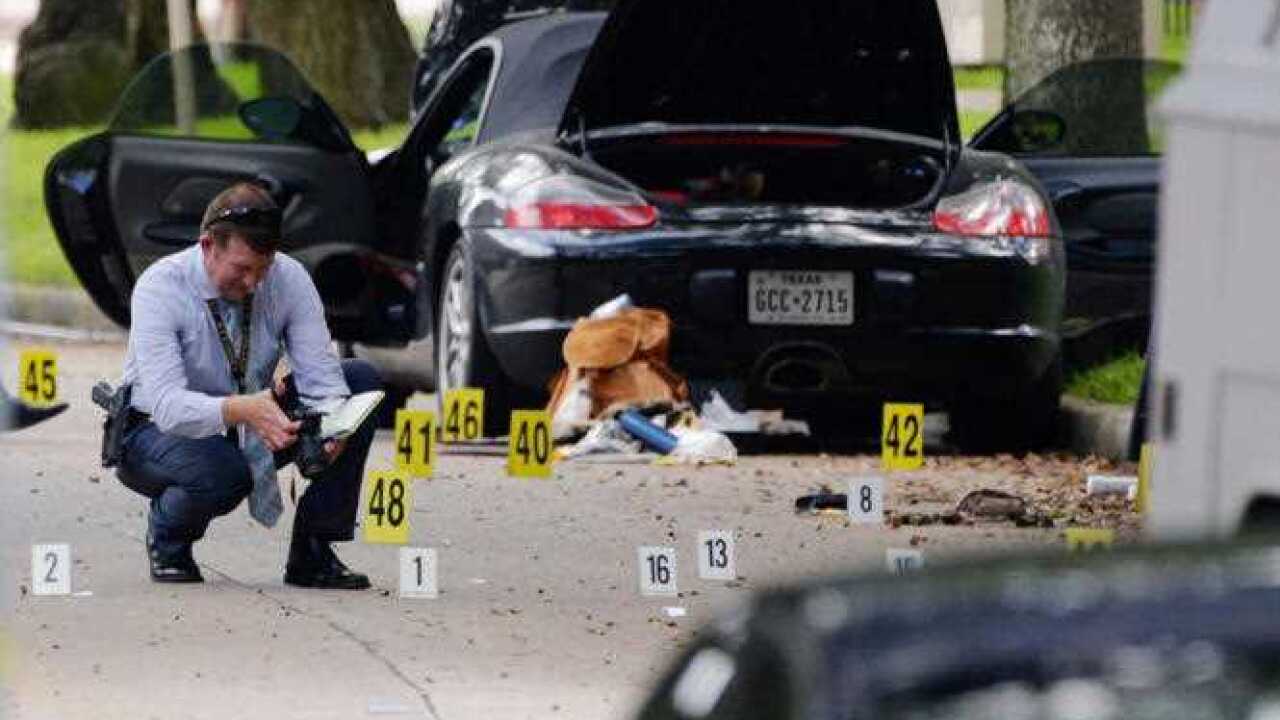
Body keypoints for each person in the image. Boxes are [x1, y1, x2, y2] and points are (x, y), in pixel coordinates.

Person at [116, 181, 381, 587]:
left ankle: (313, 552)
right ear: (208, 246)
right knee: (224, 473)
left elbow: (321, 375)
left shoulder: (289, 278)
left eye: (264, 268)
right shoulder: (161, 287)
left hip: (252, 417)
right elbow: (168, 405)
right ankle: (169, 534)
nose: (254, 283)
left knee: (357, 382)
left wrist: (332, 423)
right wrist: (241, 409)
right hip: (157, 429)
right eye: (242, 269)